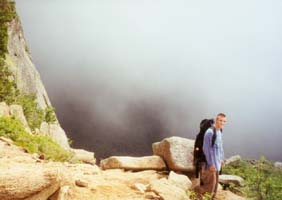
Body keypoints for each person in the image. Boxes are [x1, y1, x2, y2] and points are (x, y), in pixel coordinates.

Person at [195, 113, 227, 200]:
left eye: (224, 121)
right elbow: (206, 149)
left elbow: (220, 147)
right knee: (209, 185)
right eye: (220, 120)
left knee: (215, 184)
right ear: (216, 120)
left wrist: (222, 159)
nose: (222, 123)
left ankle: (211, 198)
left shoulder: (219, 132)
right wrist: (211, 164)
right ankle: (197, 191)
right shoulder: (209, 132)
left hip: (216, 162)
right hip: (209, 163)